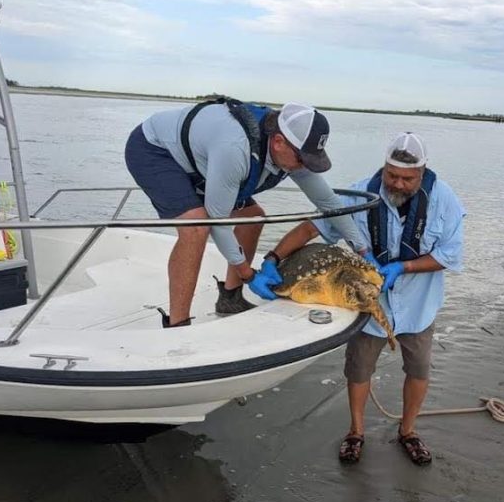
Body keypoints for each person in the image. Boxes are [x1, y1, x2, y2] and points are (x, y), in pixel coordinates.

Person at [256, 132, 465, 465]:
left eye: (407, 179)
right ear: (383, 167)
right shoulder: (358, 194)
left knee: (419, 369)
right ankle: (356, 431)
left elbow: (450, 255)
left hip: (418, 306)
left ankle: (408, 431)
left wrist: (405, 266)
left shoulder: (445, 199)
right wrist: (272, 259)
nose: (397, 184)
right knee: (358, 369)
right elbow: (311, 229)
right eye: (391, 175)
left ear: (422, 174)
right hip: (366, 304)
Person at [125, 98, 373, 327]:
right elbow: (218, 223)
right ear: (278, 142)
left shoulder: (293, 151)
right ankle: (178, 325)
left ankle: (230, 299)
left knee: (254, 218)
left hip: (203, 163)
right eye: (303, 159)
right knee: (197, 227)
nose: (306, 166)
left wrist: (363, 250)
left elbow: (328, 203)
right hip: (156, 150)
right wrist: (248, 273)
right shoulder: (236, 149)